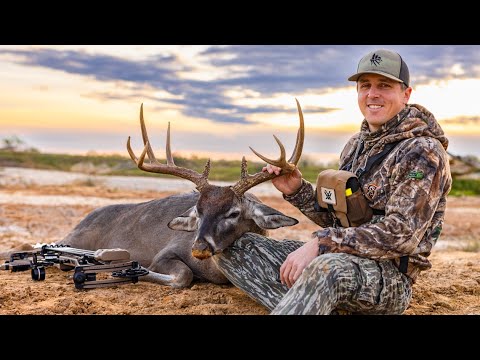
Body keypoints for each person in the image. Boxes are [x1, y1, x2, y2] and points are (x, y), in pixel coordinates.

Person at [212, 48, 453, 315]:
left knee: (325, 269)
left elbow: (402, 235)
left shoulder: (422, 151)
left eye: (384, 86)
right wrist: (297, 191)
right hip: (341, 259)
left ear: (405, 94)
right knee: (234, 248)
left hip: (389, 279)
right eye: (365, 86)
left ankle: (310, 301)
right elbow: (338, 221)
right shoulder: (354, 146)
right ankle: (318, 305)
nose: (372, 94)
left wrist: (321, 244)